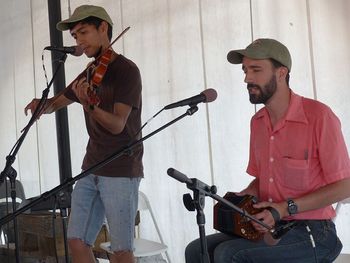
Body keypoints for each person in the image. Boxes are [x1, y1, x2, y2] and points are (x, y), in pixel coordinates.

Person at [185, 38, 350, 262]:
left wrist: (284, 208)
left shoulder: (320, 116)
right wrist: (240, 199)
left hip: (315, 232)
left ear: (281, 73)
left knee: (228, 255)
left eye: (256, 69)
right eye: (245, 70)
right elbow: (262, 180)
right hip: (271, 226)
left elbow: (345, 187)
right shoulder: (258, 122)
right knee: (196, 250)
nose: (247, 78)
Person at [24, 5, 143, 263]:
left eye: (83, 32)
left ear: (103, 28)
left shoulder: (126, 70)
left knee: (121, 250)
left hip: (120, 168)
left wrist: (90, 105)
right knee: (77, 241)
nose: (78, 40)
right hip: (92, 166)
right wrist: (41, 105)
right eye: (75, 36)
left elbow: (117, 125)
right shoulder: (89, 71)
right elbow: (58, 102)